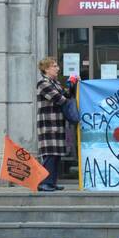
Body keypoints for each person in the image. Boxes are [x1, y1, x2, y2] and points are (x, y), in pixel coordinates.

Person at [36, 56, 71, 192]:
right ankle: (43, 182)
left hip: (57, 123)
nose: (58, 68)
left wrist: (72, 85)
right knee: (50, 154)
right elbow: (60, 99)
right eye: (54, 66)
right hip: (48, 125)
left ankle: (51, 182)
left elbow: (67, 95)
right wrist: (65, 95)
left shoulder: (55, 83)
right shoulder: (43, 83)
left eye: (57, 66)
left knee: (56, 155)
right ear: (46, 69)